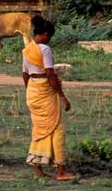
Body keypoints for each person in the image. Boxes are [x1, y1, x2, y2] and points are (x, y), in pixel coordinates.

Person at [22, 14, 76, 182]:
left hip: (32, 90)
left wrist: (32, 90)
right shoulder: (45, 49)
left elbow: (25, 74)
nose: (49, 40)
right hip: (45, 90)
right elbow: (51, 76)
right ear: (45, 34)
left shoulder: (27, 49)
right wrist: (63, 97)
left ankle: (38, 170)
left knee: (39, 130)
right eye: (49, 37)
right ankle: (61, 171)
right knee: (57, 129)